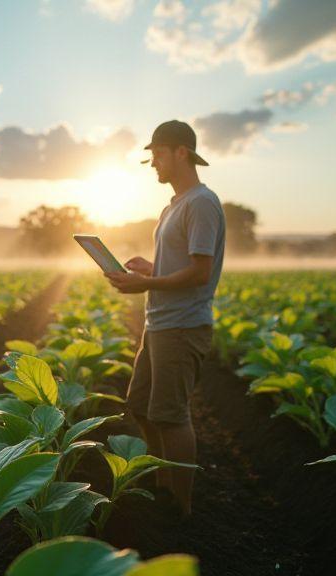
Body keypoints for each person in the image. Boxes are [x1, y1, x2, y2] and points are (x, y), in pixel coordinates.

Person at [105, 119, 226, 517]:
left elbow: (200, 272)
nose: (152, 162)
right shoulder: (175, 205)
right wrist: (150, 269)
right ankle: (162, 483)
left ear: (182, 153)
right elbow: (182, 264)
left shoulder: (201, 203)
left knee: (171, 418)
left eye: (157, 154)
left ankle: (181, 507)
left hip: (182, 325)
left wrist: (146, 285)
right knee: (140, 406)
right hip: (159, 324)